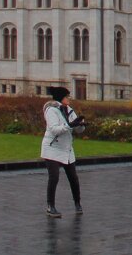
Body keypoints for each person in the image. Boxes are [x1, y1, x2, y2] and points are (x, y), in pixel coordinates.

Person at [41, 86, 86, 217]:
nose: (69, 99)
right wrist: (70, 125)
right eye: (67, 96)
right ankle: (51, 206)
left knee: (74, 178)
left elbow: (77, 129)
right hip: (52, 148)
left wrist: (80, 125)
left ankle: (77, 203)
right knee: (54, 177)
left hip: (66, 148)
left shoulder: (69, 110)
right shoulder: (52, 110)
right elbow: (54, 129)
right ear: (61, 98)